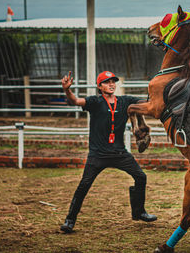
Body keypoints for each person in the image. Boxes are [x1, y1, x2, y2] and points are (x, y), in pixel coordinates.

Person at [60, 71, 157, 233]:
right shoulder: (94, 102)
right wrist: (67, 90)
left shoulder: (126, 101)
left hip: (119, 153)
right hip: (98, 154)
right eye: (106, 82)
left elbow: (148, 103)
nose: (111, 84)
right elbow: (75, 101)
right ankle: (70, 220)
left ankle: (139, 212)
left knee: (141, 176)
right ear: (100, 86)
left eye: (113, 81)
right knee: (84, 185)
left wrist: (159, 90)